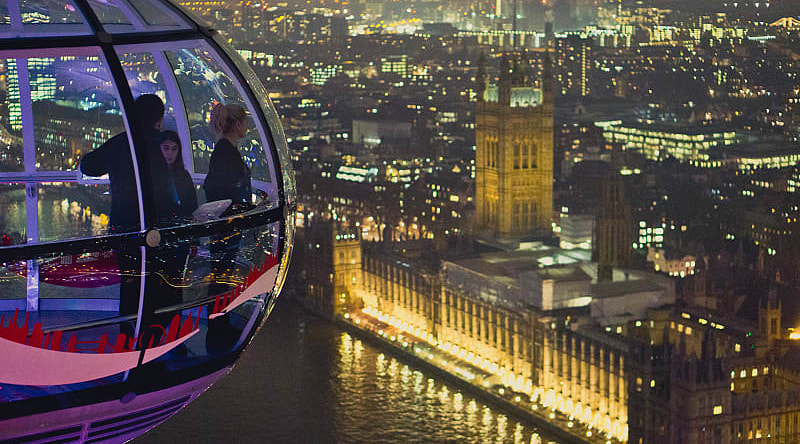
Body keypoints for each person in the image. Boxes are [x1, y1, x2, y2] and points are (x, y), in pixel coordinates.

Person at [79, 94, 176, 345]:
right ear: (159, 119)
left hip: (123, 228)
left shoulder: (122, 143)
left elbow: (88, 165)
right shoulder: (162, 144)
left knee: (130, 281)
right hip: (156, 228)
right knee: (155, 282)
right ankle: (150, 338)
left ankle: (127, 335)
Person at [203, 103, 252, 352]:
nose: (247, 127)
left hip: (226, 224)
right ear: (237, 124)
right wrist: (241, 208)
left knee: (221, 275)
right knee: (221, 277)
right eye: (245, 123)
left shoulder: (224, 150)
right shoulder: (226, 152)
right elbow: (222, 189)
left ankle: (219, 327)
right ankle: (217, 331)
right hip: (227, 226)